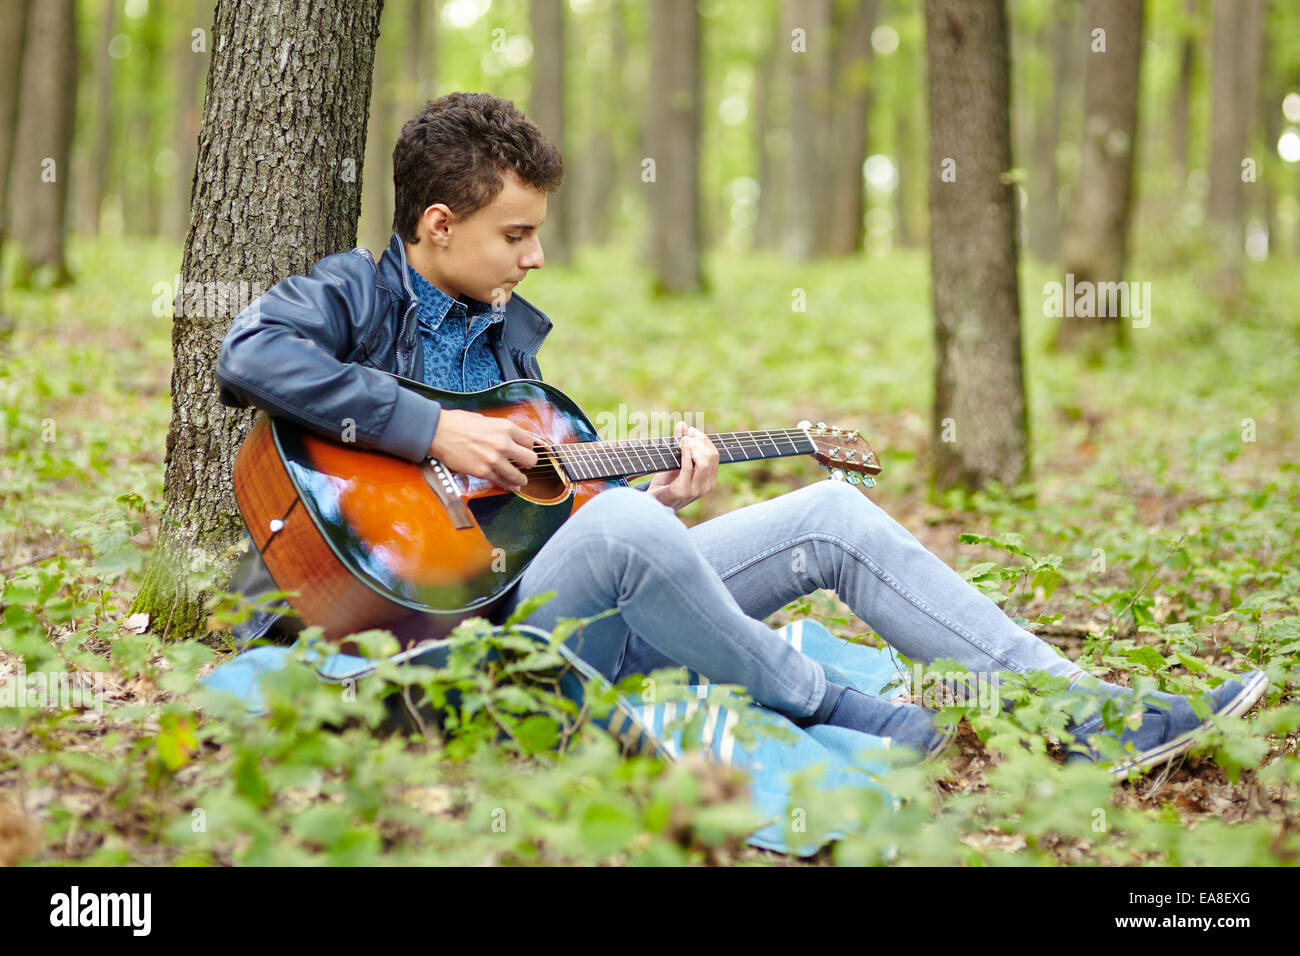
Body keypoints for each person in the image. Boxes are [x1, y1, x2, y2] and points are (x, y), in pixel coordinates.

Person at [216, 92, 1266, 775]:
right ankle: (830, 703)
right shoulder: (357, 293)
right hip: (442, 639)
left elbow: (533, 525)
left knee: (827, 512)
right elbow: (249, 354)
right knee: (623, 525)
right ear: (438, 226)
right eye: (516, 233)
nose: (536, 259)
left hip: (542, 592)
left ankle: (1098, 717)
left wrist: (645, 502)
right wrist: (433, 429)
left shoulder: (508, 345)